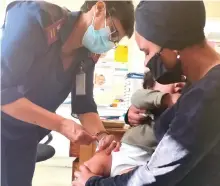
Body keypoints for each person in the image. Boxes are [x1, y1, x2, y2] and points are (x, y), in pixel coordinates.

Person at [74, 1, 220, 186]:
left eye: (147, 52)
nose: (146, 62)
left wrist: (92, 183)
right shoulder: (205, 86)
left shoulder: (213, 91)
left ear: (172, 42)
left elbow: (155, 177)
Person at [1, 1, 134, 186]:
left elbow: (84, 103)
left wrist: (102, 136)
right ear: (99, 8)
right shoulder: (36, 19)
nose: (109, 43)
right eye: (112, 32)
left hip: (26, 136)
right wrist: (62, 125)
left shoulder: (86, 57)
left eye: (115, 40)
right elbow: (2, 90)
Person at [73, 71, 185, 179]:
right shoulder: (148, 106)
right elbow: (137, 97)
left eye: (184, 80)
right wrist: (167, 99)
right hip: (119, 152)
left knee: (129, 179)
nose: (179, 83)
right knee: (88, 168)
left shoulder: (184, 113)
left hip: (142, 163)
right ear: (150, 89)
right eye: (169, 79)